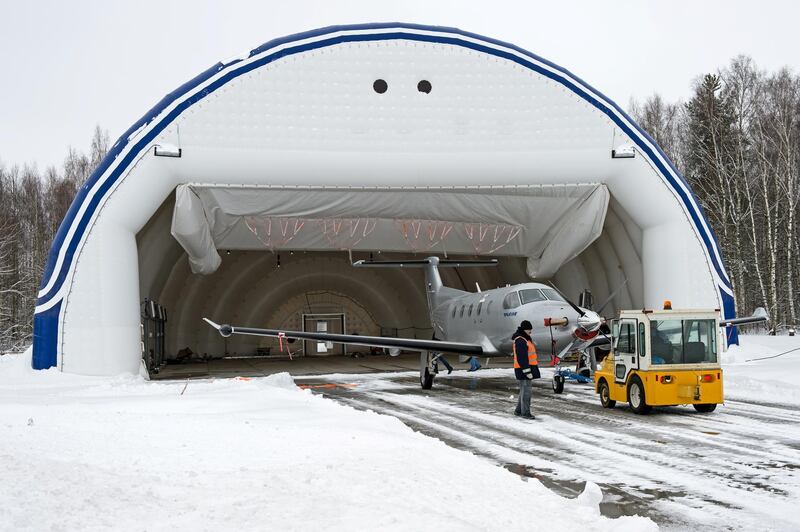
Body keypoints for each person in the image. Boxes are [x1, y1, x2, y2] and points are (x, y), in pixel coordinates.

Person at [512, 320, 540, 419]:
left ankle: (519, 410)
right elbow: (522, 357)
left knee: (524, 391)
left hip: (525, 368)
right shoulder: (521, 340)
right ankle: (525, 413)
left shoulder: (525, 339)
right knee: (526, 392)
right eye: (529, 329)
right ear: (524, 329)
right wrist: (527, 371)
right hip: (524, 369)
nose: (530, 331)